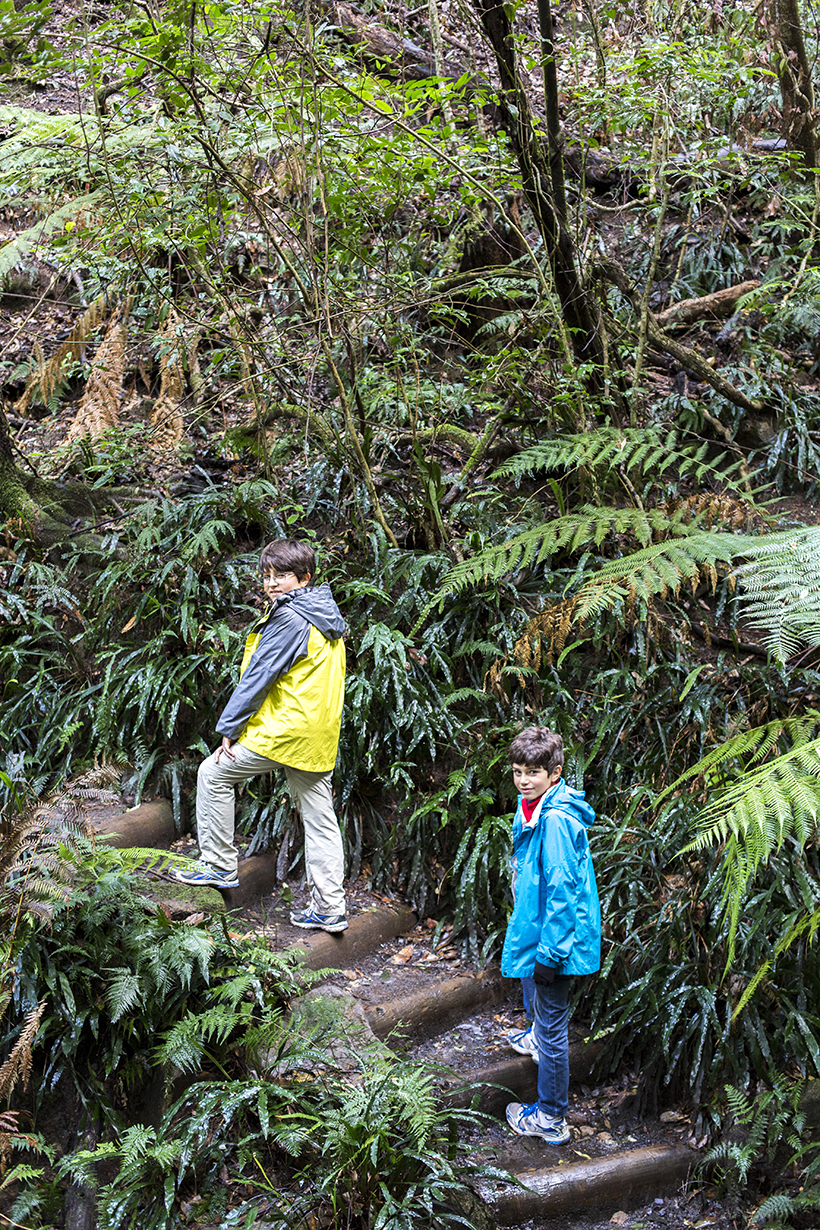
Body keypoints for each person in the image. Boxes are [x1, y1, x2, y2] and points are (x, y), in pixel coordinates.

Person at [172, 539, 349, 933]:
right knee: (320, 817)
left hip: (285, 730)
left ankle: (218, 865)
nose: (271, 584)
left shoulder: (292, 618)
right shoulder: (326, 615)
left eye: (281, 576)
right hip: (317, 733)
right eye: (267, 576)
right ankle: (331, 908)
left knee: (213, 774)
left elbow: (259, 676)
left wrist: (230, 727)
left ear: (304, 578)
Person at [501, 727, 601, 1144]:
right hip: (537, 926)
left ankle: (551, 1118)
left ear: (554, 773)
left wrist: (551, 954)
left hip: (556, 938)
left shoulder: (555, 820)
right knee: (534, 991)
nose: (523, 781)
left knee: (553, 1030)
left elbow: (563, 892)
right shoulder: (532, 806)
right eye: (517, 771)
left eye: (533, 773)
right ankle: (534, 1034)